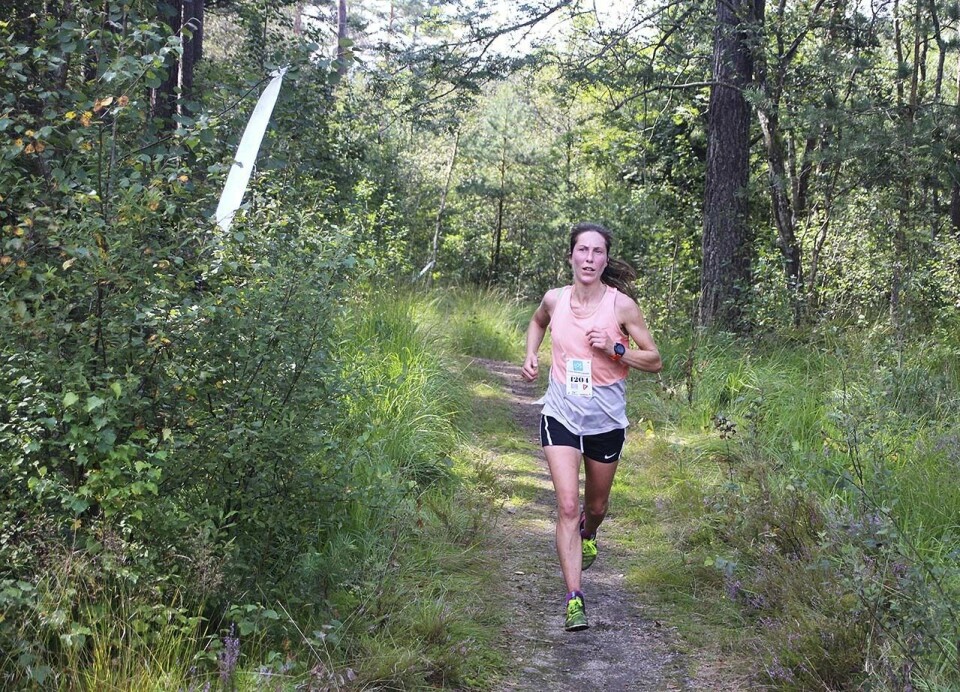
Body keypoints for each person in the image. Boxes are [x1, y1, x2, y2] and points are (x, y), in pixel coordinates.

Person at [521, 222, 662, 632]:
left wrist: (617, 348)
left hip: (604, 420)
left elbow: (654, 360)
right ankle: (574, 599)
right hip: (561, 414)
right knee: (566, 506)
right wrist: (531, 355)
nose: (588, 258)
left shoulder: (622, 307)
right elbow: (537, 322)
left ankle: (590, 531)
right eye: (582, 250)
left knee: (594, 508)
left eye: (597, 252)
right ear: (570, 256)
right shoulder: (555, 299)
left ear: (605, 260)